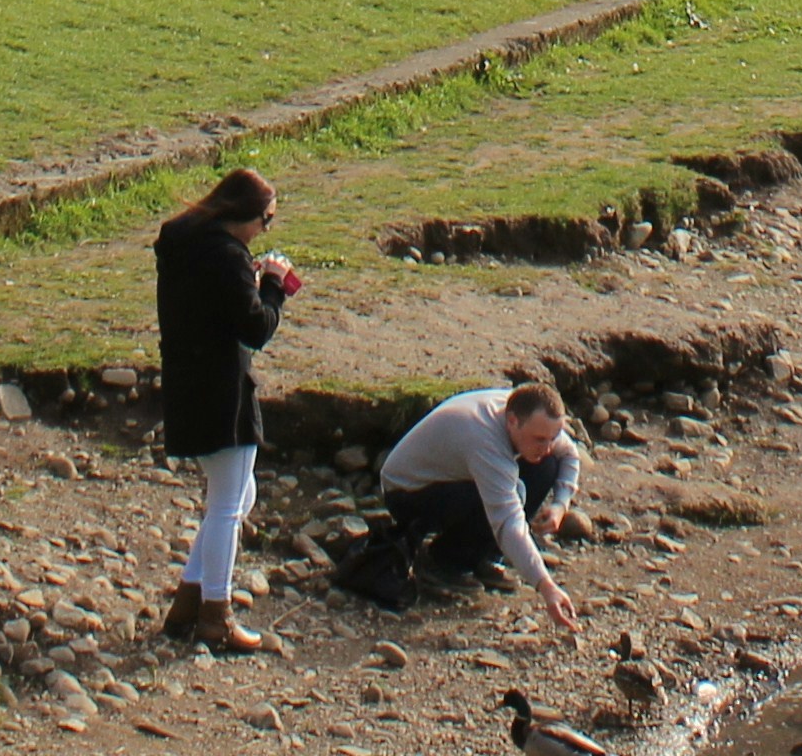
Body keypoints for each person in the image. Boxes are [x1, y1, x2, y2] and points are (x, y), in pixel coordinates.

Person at [151, 167, 299, 650]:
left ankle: (187, 605)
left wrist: (249, 277)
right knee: (228, 510)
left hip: (186, 384)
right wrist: (273, 286)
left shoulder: (184, 244)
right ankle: (216, 616)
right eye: (265, 220)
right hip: (222, 394)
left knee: (236, 498)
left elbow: (214, 303)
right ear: (243, 216)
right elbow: (255, 328)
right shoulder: (227, 258)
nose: (265, 231)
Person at [340, 377, 587, 631]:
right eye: (540, 439)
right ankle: (444, 562)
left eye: (552, 437)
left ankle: (484, 554)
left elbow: (568, 454)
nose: (547, 446)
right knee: (508, 493)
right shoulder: (484, 438)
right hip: (407, 492)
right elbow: (508, 521)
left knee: (546, 466)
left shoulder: (529, 418)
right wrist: (547, 587)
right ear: (512, 421)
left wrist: (560, 505)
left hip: (456, 476)